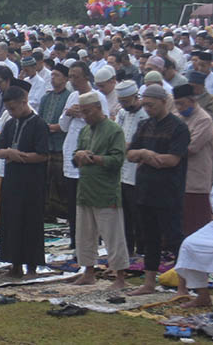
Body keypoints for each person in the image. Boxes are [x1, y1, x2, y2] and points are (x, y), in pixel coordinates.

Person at [127, 84, 190, 296]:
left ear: (164, 102)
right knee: (149, 238)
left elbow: (172, 160)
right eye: (144, 105)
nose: (147, 109)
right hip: (145, 190)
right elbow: (130, 154)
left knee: (174, 239)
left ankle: (183, 285)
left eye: (151, 105)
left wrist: (145, 157)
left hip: (168, 191)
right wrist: (146, 154)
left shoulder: (178, 127)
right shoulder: (144, 125)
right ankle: (148, 283)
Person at [71, 92, 129, 289]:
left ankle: (120, 276)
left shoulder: (114, 131)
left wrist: (94, 158)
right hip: (85, 190)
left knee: (113, 236)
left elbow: (118, 160)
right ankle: (88, 272)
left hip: (105, 192)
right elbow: (75, 156)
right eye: (83, 113)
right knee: (84, 235)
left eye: (88, 112)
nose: (85, 116)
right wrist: (78, 155)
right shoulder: (85, 131)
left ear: (98, 108)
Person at [0, 86, 49, 278]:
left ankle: (32, 266)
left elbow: (43, 154)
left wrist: (21, 156)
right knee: (11, 221)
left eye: (14, 108)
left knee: (31, 222)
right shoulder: (11, 124)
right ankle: (15, 263)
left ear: (24, 102)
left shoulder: (38, 124)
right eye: (8, 109)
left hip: (32, 182)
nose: (11, 112)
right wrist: (8, 153)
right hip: (12, 180)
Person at [58, 62, 108, 248]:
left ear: (86, 77)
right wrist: (69, 114)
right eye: (70, 76)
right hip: (70, 151)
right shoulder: (72, 96)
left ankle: (94, 238)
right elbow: (62, 126)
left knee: (89, 202)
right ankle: (75, 238)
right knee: (72, 202)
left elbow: (105, 125)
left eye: (76, 77)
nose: (72, 80)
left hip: (89, 154)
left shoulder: (98, 98)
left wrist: (85, 115)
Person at [173, 83, 213, 236]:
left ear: (192, 100)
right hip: (178, 178)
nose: (179, 107)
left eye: (181, 103)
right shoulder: (177, 118)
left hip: (196, 179)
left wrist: (169, 151)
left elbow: (190, 148)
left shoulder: (204, 120)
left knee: (196, 225)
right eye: (176, 103)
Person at [114, 80, 148, 256]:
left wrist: (125, 146)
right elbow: (116, 136)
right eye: (122, 102)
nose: (124, 105)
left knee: (139, 215)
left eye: (127, 101)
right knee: (124, 214)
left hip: (138, 172)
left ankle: (142, 249)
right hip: (122, 171)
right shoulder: (122, 113)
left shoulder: (145, 115)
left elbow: (138, 143)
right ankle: (127, 248)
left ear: (136, 97)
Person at [39, 63, 70, 222]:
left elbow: (66, 124)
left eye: (57, 75)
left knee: (60, 181)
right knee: (46, 180)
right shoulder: (46, 97)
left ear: (65, 78)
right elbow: (40, 119)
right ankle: (47, 214)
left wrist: (53, 127)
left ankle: (62, 214)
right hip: (46, 145)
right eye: (52, 75)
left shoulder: (69, 97)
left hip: (60, 145)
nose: (53, 78)